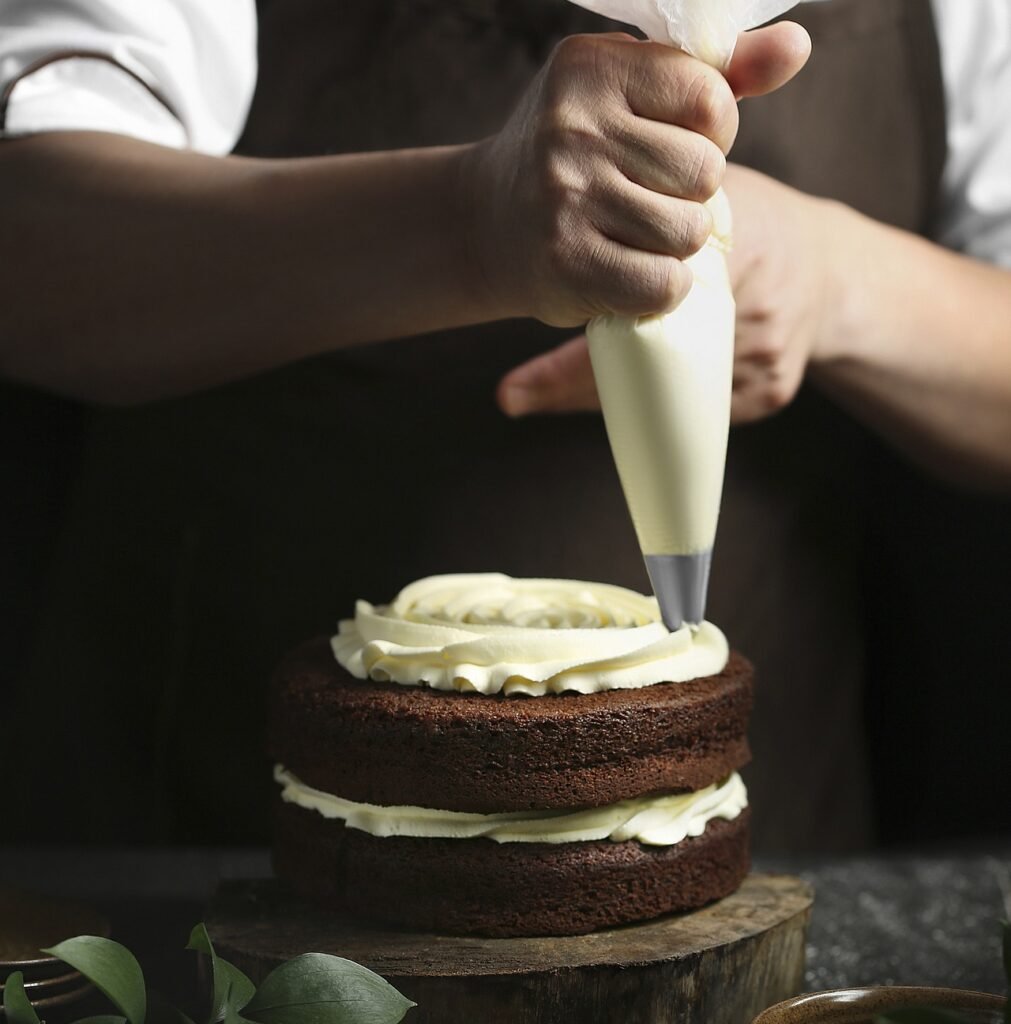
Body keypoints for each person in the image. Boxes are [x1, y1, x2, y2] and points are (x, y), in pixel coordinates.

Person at [2, 0, 1008, 850]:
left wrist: (836, 278)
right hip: (225, 851)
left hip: (769, 862)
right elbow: (30, 247)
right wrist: (469, 223)